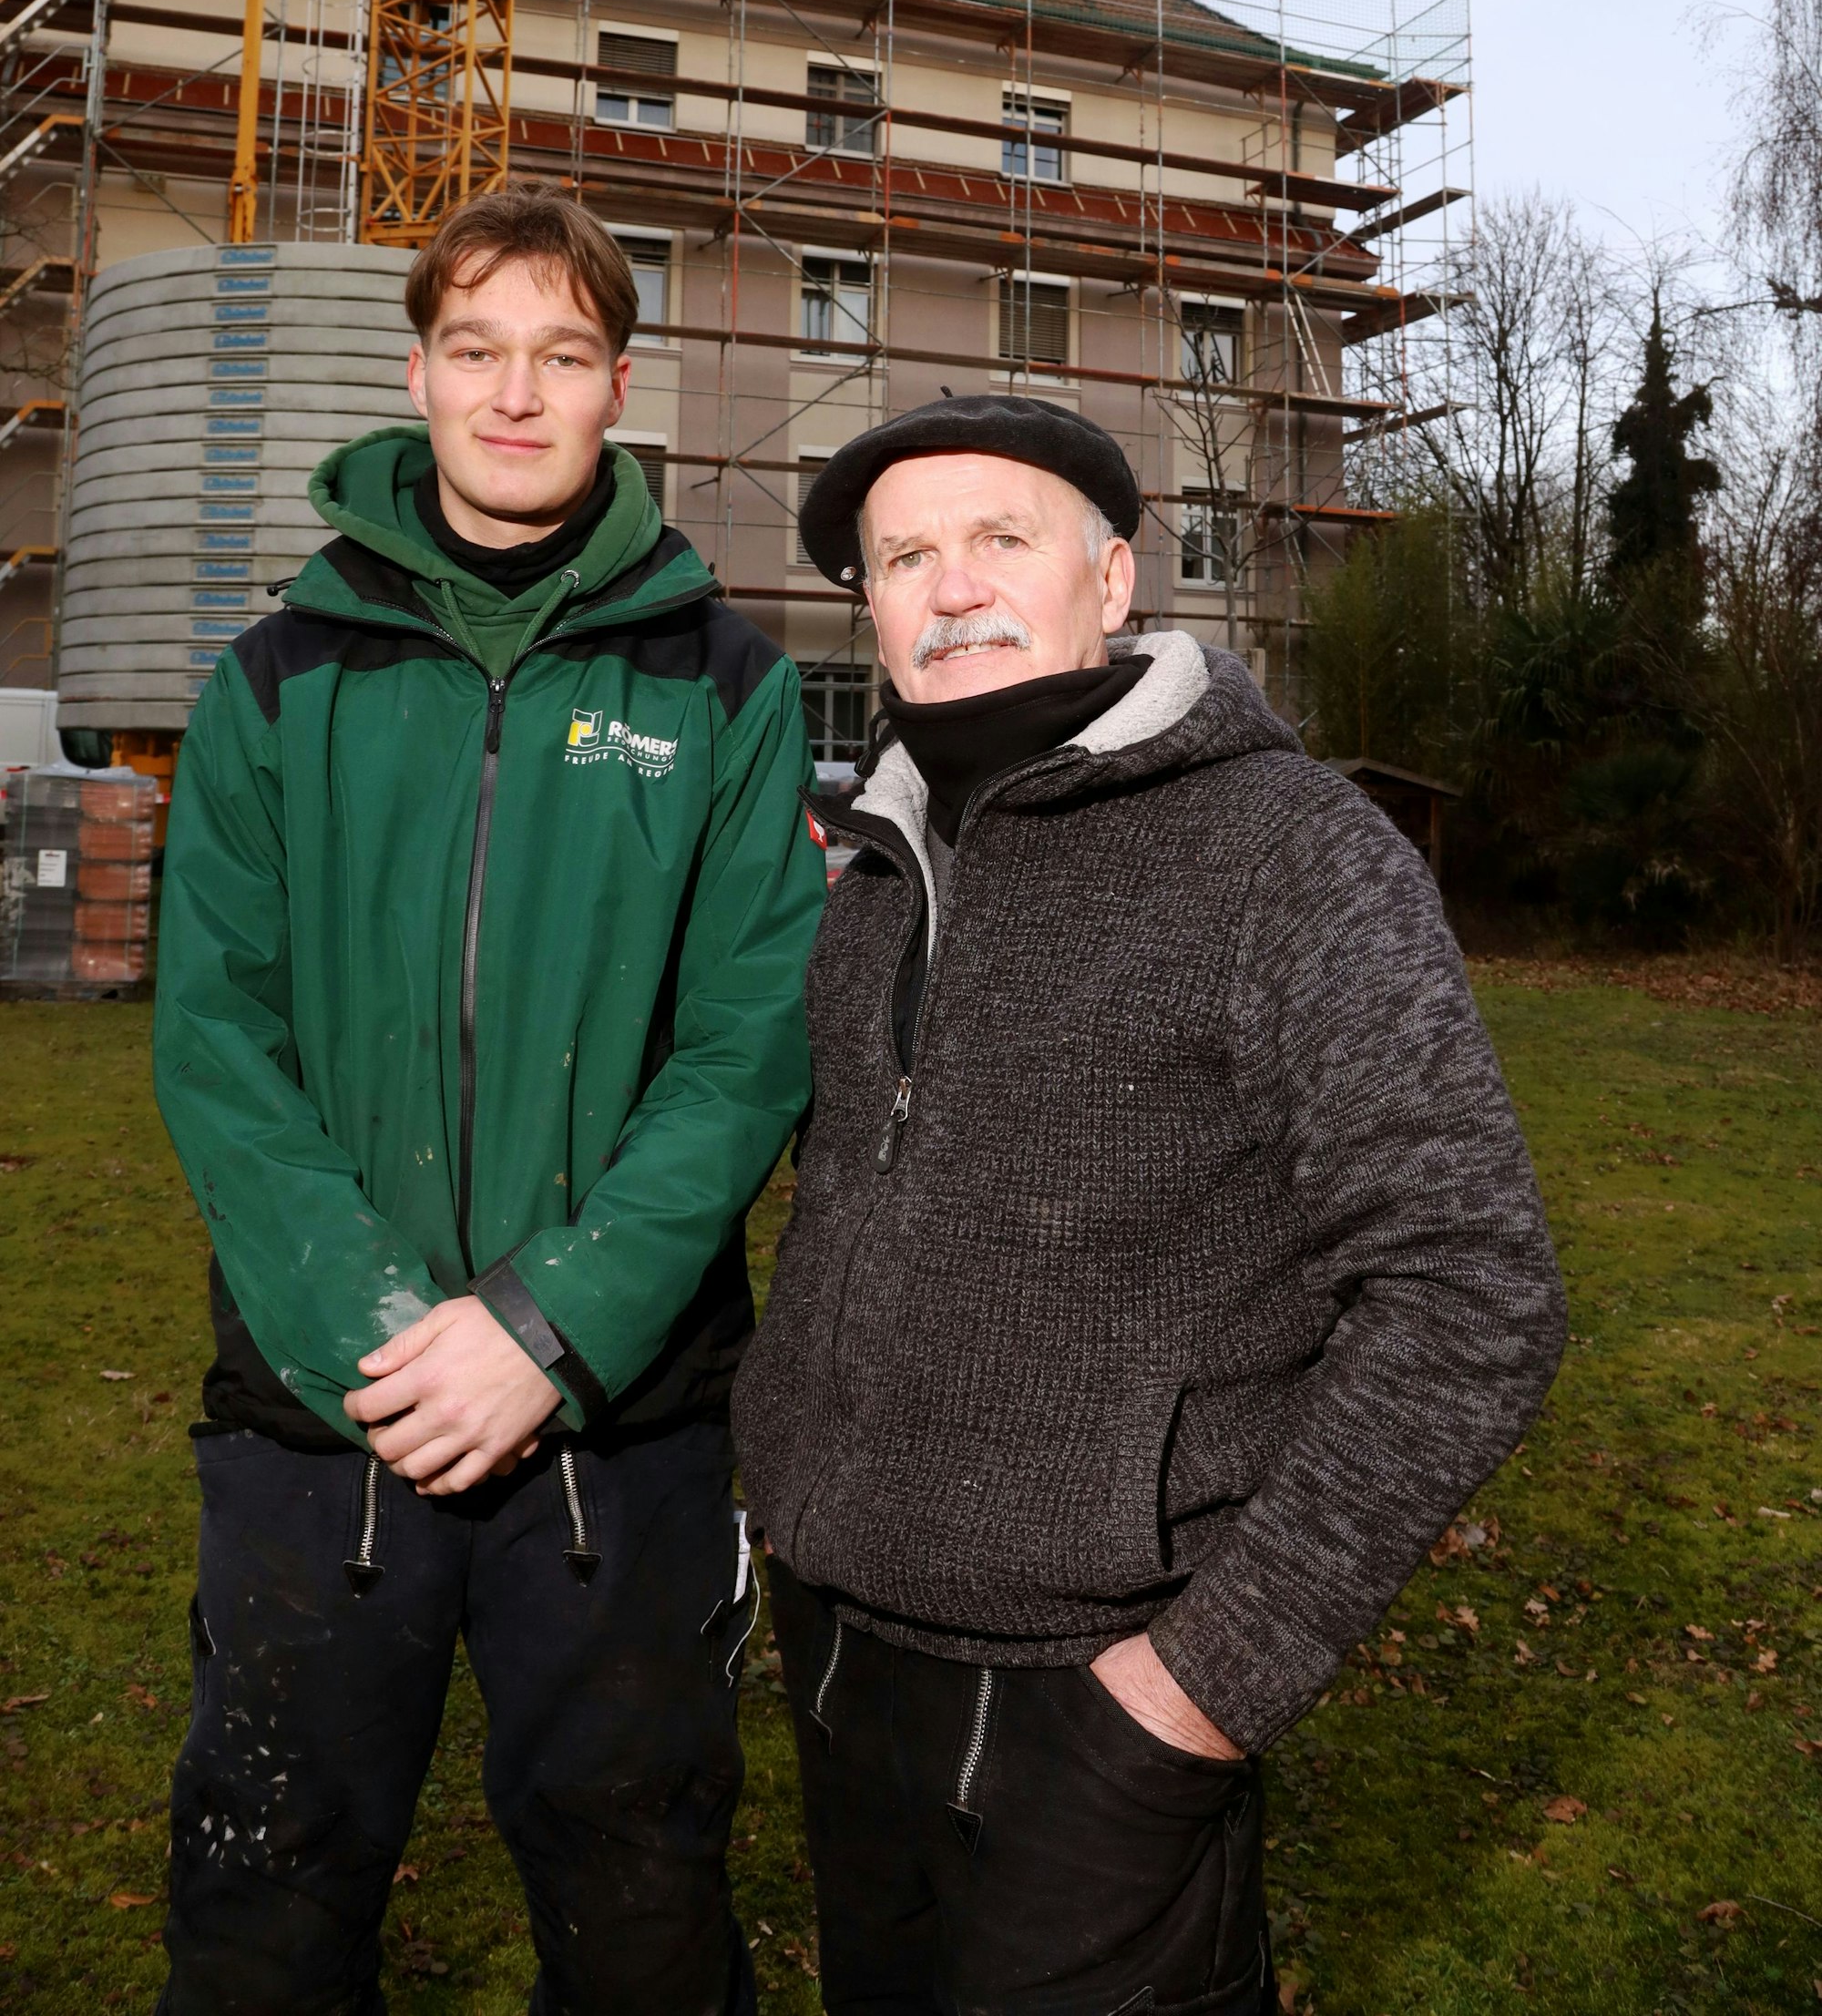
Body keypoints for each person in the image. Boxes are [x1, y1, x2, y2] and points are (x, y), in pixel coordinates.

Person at [734, 394, 1567, 2016]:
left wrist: (1204, 1685)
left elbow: (1473, 1293)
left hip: (1098, 1705)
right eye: (905, 556)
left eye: (1000, 540)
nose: (951, 585)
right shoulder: (880, 869)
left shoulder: (1289, 853)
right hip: (843, 1659)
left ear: (1112, 582)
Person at [152, 185, 824, 2016]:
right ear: (416, 376)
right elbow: (217, 1039)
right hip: (325, 1416)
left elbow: (750, 1036)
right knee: (262, 1916)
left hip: (622, 1430)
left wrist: (550, 1327)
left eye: (560, 354)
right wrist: (380, 1327)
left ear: (620, 385)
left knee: (644, 1923)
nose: (514, 395)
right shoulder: (278, 679)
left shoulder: (724, 686)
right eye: (475, 350)